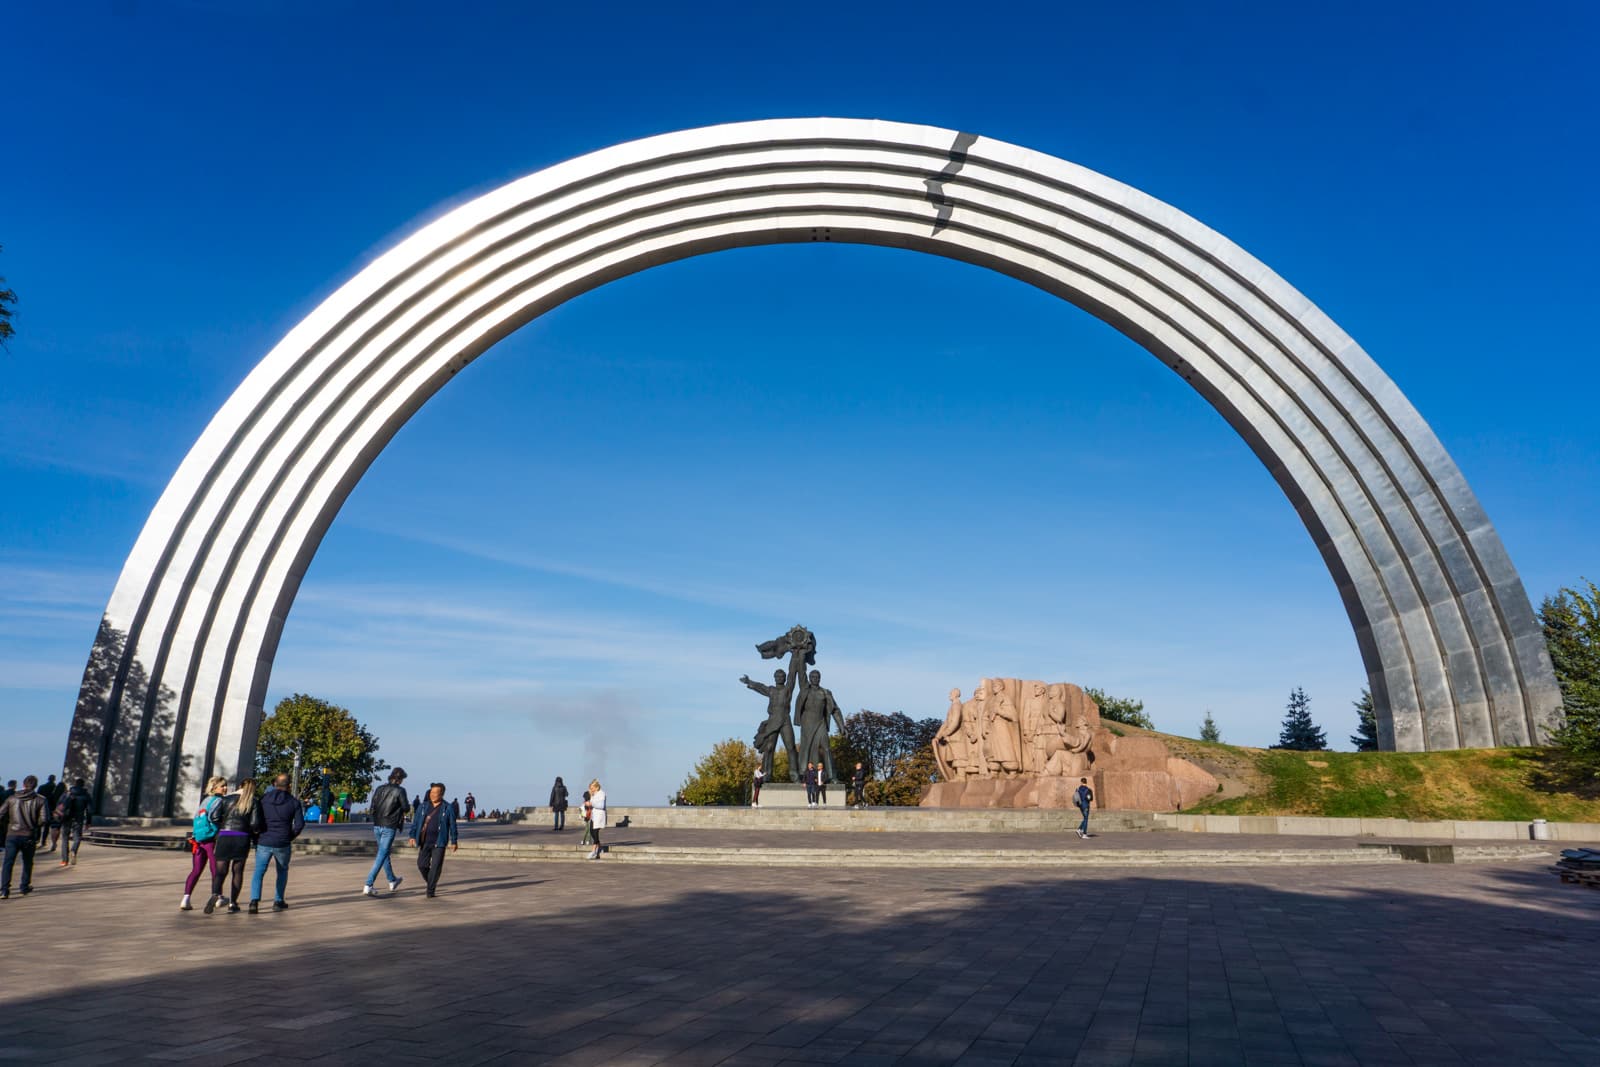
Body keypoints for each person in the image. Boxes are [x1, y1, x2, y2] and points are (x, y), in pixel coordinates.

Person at [205, 779, 262, 914]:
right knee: (237, 872)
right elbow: (255, 824)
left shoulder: (226, 799)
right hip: (241, 837)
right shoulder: (253, 801)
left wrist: (222, 825)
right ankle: (233, 903)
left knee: (220, 871)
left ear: (239, 786)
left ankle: (215, 894)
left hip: (225, 835)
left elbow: (214, 816)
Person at [250, 772, 305, 912]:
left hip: (264, 840)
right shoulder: (294, 802)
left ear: (274, 784)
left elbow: (255, 820)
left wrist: (257, 836)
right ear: (289, 785)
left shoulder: (263, 799)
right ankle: (278, 900)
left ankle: (254, 901)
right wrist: (290, 836)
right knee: (282, 871)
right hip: (282, 841)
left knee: (259, 871)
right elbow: (299, 825)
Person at [181, 776, 228, 910]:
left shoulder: (205, 801)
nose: (225, 788)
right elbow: (215, 818)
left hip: (198, 839)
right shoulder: (219, 800)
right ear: (214, 788)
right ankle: (218, 896)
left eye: (225, 785)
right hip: (212, 839)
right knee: (216, 869)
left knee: (196, 870)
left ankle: (186, 898)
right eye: (222, 786)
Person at [1, 775, 49, 899]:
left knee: (8, 862)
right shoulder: (41, 800)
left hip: (12, 834)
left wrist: (8, 823)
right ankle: (24, 886)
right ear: (36, 785)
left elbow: (1, 813)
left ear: (23, 784)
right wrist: (33, 825)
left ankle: (4, 890)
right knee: (27, 862)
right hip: (28, 834)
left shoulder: (11, 798)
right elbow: (44, 819)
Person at [407, 782, 458, 898]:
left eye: (436, 792)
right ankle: (431, 882)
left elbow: (453, 826)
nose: (433, 794)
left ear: (442, 794)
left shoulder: (447, 807)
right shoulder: (423, 806)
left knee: (435, 867)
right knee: (421, 865)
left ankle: (430, 891)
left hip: (439, 843)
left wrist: (454, 841)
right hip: (424, 841)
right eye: (431, 792)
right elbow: (416, 823)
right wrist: (411, 836)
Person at [363, 766, 408, 896]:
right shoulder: (400, 791)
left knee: (384, 853)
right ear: (400, 779)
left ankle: (392, 880)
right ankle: (368, 884)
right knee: (382, 854)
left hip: (377, 824)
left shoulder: (379, 788)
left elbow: (373, 806)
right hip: (390, 825)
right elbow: (405, 807)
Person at [55, 778, 93, 867]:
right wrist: (88, 821)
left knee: (65, 838)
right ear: (83, 785)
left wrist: (58, 821)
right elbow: (89, 810)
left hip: (66, 818)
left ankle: (64, 860)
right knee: (77, 837)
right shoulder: (86, 795)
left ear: (75, 784)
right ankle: (74, 850)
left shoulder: (67, 793)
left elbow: (59, 806)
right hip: (78, 818)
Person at [38, 773, 65, 850]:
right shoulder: (57, 790)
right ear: (54, 779)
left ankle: (42, 840)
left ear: (48, 778)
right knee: (55, 828)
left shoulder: (43, 788)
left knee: (45, 826)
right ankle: (54, 843)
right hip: (58, 813)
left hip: (48, 810)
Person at [586, 779, 606, 860]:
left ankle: (594, 851)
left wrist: (591, 803)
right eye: (590, 788)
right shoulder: (594, 794)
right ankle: (600, 847)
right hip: (594, 816)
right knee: (591, 831)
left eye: (592, 788)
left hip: (599, 816)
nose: (591, 789)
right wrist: (591, 797)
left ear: (597, 787)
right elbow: (592, 804)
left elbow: (601, 805)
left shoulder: (602, 793)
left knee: (595, 832)